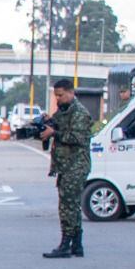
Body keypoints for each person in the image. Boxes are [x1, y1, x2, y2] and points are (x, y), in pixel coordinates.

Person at [42, 78, 93, 258]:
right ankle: (77, 245)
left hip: (76, 165)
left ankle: (66, 244)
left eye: (61, 95)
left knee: (67, 206)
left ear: (71, 93)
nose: (58, 99)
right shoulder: (64, 111)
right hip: (66, 166)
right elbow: (57, 124)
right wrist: (48, 123)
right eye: (56, 96)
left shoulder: (80, 113)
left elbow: (78, 138)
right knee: (71, 205)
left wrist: (54, 133)